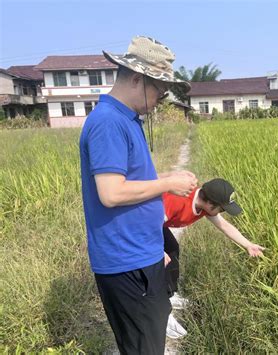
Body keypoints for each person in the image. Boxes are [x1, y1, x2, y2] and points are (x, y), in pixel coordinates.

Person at [79, 35, 197, 355]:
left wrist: (154, 248)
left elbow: (132, 181)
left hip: (140, 255)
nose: (162, 97)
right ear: (136, 79)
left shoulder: (127, 120)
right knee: (142, 347)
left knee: (152, 337)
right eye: (160, 89)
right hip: (126, 263)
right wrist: (167, 183)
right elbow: (111, 193)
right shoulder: (108, 123)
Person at [162, 178, 265, 338]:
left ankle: (170, 295)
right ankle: (162, 315)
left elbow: (224, 226)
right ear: (210, 204)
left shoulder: (204, 206)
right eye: (222, 209)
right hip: (142, 223)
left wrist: (248, 245)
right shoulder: (176, 202)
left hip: (158, 225)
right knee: (157, 265)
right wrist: (155, 250)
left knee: (173, 251)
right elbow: (143, 223)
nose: (222, 213)